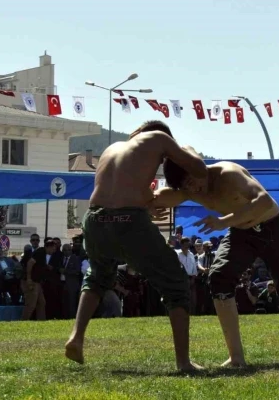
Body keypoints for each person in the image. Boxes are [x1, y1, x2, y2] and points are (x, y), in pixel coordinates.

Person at [64, 120, 207, 373]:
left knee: (97, 277)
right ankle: (183, 362)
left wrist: (146, 205)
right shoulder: (159, 139)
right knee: (175, 282)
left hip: (95, 219)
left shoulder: (112, 149)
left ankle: (76, 338)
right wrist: (188, 149)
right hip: (129, 221)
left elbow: (120, 192)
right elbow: (198, 168)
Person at [151, 160, 279, 368]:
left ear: (198, 169)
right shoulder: (191, 188)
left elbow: (264, 201)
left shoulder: (228, 174)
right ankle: (236, 357)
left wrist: (223, 222)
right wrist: (148, 205)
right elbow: (164, 196)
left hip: (273, 228)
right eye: (185, 186)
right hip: (240, 233)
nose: (193, 189)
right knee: (219, 277)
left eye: (191, 181)